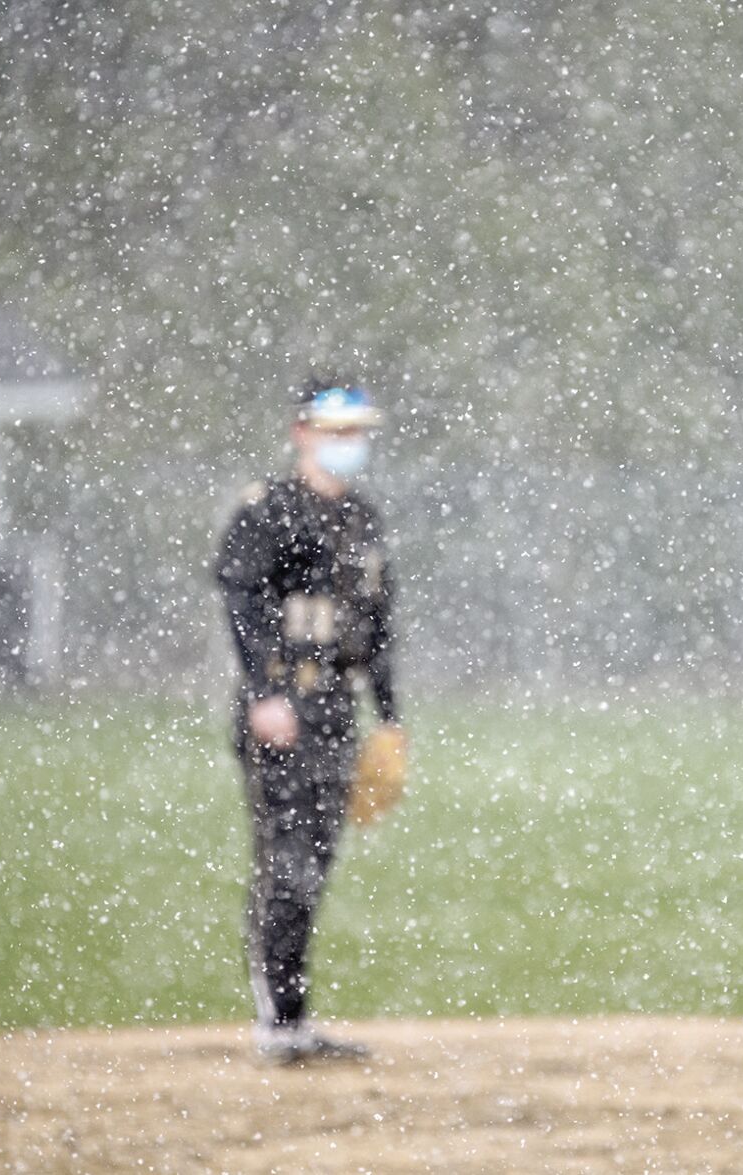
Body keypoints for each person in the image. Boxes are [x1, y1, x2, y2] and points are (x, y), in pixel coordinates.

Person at [214, 379, 404, 1063]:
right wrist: (265, 692)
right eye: (335, 430)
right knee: (286, 864)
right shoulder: (268, 510)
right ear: (302, 432)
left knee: (313, 865)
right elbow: (242, 600)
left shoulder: (362, 518)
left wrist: (389, 716)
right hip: (284, 710)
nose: (348, 443)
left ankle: (293, 1020)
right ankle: (278, 1022)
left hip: (334, 711)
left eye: (356, 431)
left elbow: (375, 627)